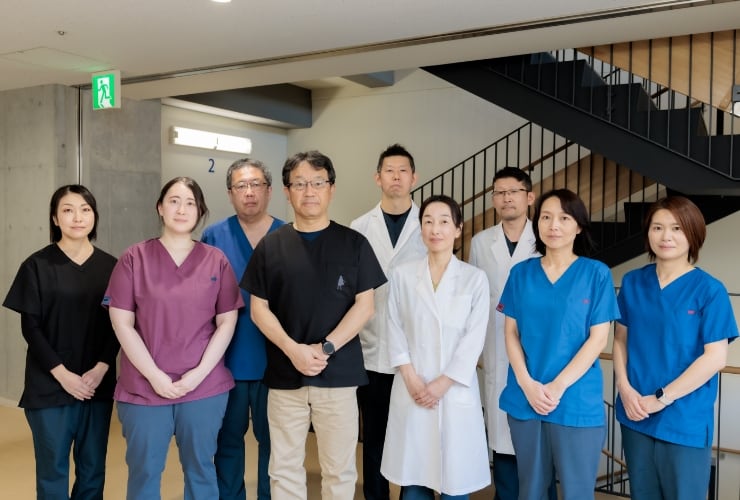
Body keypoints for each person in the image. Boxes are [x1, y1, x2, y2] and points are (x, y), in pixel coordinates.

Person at [242, 150, 386, 500]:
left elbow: (365, 306)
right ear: (287, 191)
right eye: (300, 184)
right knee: (284, 468)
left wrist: (326, 348)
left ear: (331, 189)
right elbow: (259, 309)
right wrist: (293, 350)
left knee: (339, 470)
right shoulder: (270, 246)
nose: (309, 191)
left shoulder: (354, 244)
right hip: (285, 376)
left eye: (318, 183)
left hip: (338, 376)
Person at [103, 177, 243, 500]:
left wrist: (198, 374)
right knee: (144, 472)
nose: (182, 209)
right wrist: (155, 376)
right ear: (160, 208)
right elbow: (122, 323)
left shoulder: (216, 260)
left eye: (190, 203)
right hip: (144, 387)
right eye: (174, 201)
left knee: (201, 469)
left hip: (203, 387)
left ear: (200, 211)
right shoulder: (134, 258)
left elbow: (227, 321)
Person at [613, 196, 738, 500]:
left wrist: (662, 398)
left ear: (693, 234)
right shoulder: (632, 282)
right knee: (642, 494)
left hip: (684, 417)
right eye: (657, 227)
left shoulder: (710, 290)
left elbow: (715, 358)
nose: (665, 236)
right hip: (635, 411)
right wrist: (625, 389)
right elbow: (620, 340)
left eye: (677, 228)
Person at [498, 188, 619, 500]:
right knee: (531, 490)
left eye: (564, 218)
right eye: (546, 217)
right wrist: (527, 384)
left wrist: (558, 386)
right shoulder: (521, 273)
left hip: (575, 399)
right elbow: (511, 333)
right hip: (526, 398)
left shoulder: (596, 274)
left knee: (577, 492)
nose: (554, 225)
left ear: (578, 226)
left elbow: (598, 339)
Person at [3, 184, 118, 500]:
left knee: (93, 471)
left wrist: (101, 368)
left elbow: (119, 326)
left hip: (96, 385)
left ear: (94, 216)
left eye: (85, 209)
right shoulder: (37, 266)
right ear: (55, 218)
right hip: (50, 387)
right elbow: (31, 328)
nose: (77, 217)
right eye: (68, 210)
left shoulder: (113, 267)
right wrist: (63, 374)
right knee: (52, 473)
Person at [380, 194, 490, 499]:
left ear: (458, 229)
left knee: (455, 480)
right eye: (428, 221)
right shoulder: (402, 275)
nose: (435, 229)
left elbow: (474, 339)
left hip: (454, 391)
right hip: (412, 388)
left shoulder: (474, 279)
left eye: (444, 222)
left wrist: (442, 384)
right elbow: (394, 328)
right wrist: (411, 378)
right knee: (414, 479)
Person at [202, 158, 284, 500]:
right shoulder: (213, 237)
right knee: (227, 442)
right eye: (241, 186)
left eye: (256, 185)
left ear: (269, 190)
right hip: (226, 362)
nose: (249, 192)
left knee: (275, 444)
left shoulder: (288, 235)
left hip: (276, 362)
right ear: (230, 193)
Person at [349, 143, 427, 500]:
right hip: (372, 349)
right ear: (377, 178)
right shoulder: (359, 227)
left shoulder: (430, 223)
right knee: (375, 436)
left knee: (417, 435)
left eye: (403, 171)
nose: (396, 177)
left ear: (414, 177)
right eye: (389, 171)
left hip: (417, 352)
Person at [468, 167, 544, 500]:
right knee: (500, 436)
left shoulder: (545, 238)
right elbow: (474, 297)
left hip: (535, 349)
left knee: (535, 441)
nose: (506, 198)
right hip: (495, 347)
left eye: (513, 191)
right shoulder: (481, 242)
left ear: (530, 196)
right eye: (499, 192)